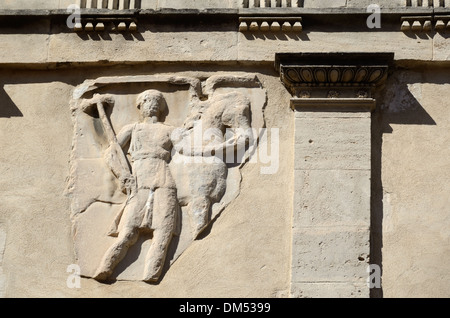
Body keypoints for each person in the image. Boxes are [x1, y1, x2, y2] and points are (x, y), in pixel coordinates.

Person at [93, 90, 178, 283]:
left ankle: (151, 274)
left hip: (164, 180)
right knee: (128, 233)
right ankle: (105, 268)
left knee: (163, 232)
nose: (153, 104)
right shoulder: (133, 128)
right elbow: (111, 153)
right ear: (140, 106)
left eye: (157, 100)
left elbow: (189, 148)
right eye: (147, 100)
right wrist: (123, 175)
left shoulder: (170, 130)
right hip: (139, 181)